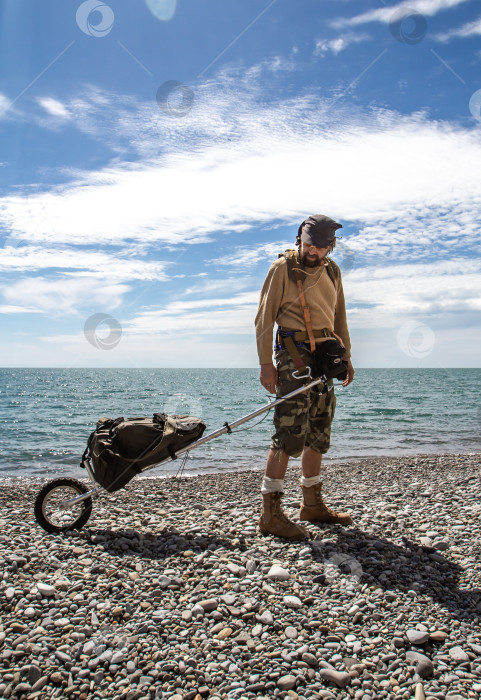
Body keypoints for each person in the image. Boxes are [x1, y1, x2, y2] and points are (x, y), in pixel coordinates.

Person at [255, 214, 355, 540]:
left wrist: (347, 356)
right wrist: (265, 365)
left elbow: (339, 316)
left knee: (319, 430)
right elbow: (263, 320)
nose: (313, 251)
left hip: (327, 356)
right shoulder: (282, 269)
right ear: (300, 238)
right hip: (292, 355)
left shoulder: (333, 270)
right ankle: (270, 514)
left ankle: (311, 505)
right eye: (309, 244)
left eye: (321, 247)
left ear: (331, 246)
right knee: (288, 433)